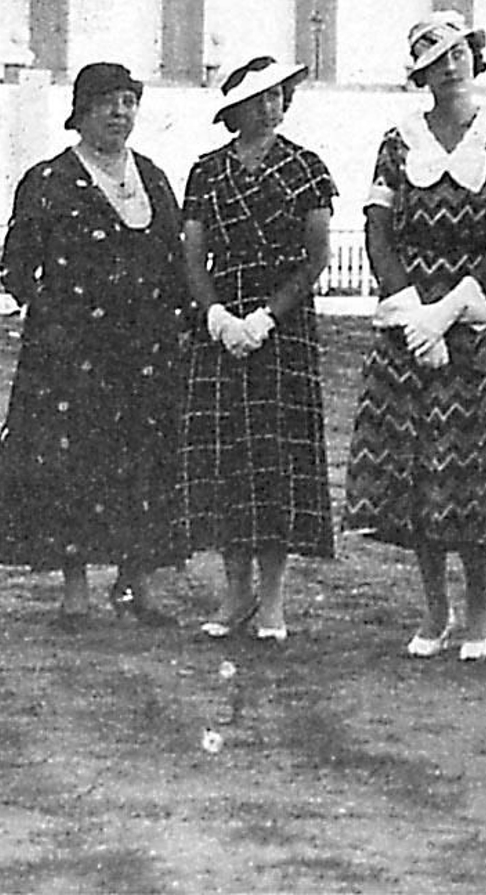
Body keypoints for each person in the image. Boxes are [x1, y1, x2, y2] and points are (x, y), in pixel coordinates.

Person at [0, 62, 190, 627]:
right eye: (107, 103)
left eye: (128, 102)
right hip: (72, 359)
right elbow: (18, 267)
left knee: (142, 464)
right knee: (75, 465)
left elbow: (175, 259)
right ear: (82, 111)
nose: (119, 114)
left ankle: (137, 584)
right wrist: (58, 318)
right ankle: (75, 591)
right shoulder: (47, 180)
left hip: (144, 355)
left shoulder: (154, 178)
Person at [344, 13, 486, 661]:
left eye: (459, 53)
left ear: (476, 56)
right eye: (436, 59)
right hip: (409, 322)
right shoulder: (399, 139)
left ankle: (480, 606)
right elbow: (376, 227)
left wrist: (451, 309)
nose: (451, 66)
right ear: (420, 73)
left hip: (469, 318)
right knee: (415, 466)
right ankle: (434, 608)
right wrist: (412, 310)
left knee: (467, 464)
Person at [180, 56, 337, 641]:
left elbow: (316, 257)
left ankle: (272, 599)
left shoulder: (306, 168)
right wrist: (216, 314)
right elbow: (192, 254)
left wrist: (268, 315)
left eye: (278, 95)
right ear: (237, 109)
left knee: (276, 459)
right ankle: (236, 593)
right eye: (259, 98)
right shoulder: (206, 171)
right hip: (220, 323)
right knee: (228, 459)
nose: (270, 106)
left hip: (283, 323)